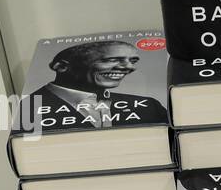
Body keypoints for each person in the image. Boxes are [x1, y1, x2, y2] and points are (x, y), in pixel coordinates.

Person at [23, 40, 168, 131]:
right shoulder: (27, 109)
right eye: (111, 60)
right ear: (61, 67)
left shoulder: (149, 106)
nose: (129, 67)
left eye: (133, 61)